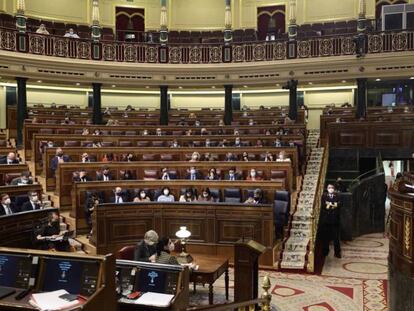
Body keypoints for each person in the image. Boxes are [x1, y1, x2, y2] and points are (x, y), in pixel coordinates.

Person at [320, 184, 341, 258]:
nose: (331, 189)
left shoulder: (337, 196)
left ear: (334, 189)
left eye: (332, 187)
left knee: (336, 238)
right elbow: (324, 206)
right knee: (325, 237)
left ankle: (337, 253)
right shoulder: (324, 196)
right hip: (326, 219)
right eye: (329, 187)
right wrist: (333, 205)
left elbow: (339, 205)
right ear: (327, 189)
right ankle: (325, 251)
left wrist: (329, 204)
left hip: (335, 220)